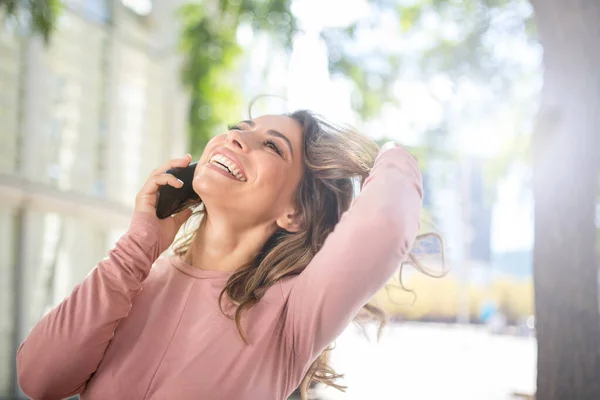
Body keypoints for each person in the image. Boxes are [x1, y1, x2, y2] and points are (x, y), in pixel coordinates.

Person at [17, 110, 425, 400]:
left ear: (294, 214)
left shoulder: (293, 315)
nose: (236, 138)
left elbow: (386, 223)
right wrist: (137, 246)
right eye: (238, 129)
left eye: (271, 145)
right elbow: (38, 380)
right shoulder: (135, 278)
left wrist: (393, 153)